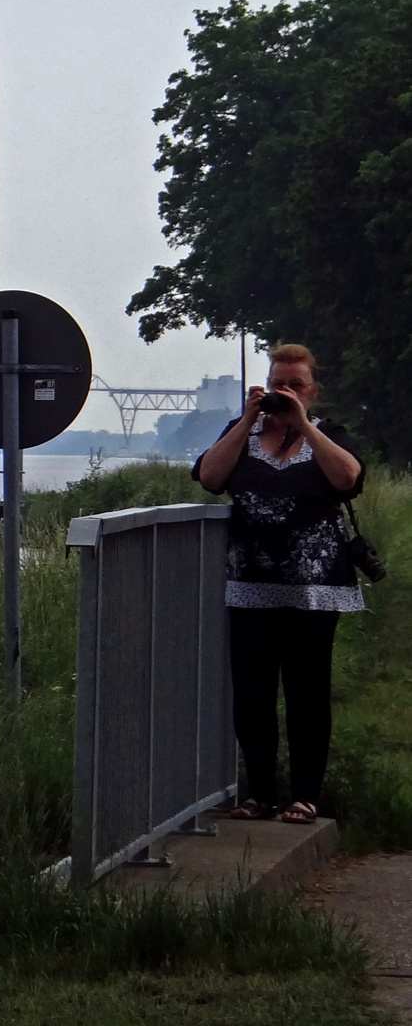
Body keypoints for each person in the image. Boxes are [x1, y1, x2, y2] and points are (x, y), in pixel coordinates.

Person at [193, 344, 365, 825]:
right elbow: (209, 477)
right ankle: (259, 793)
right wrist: (248, 420)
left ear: (313, 390)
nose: (284, 391)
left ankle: (305, 795)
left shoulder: (329, 434)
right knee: (252, 694)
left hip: (315, 590)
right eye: (277, 384)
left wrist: (303, 423)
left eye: (295, 384)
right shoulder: (242, 433)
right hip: (251, 584)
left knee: (308, 692)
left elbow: (349, 478)